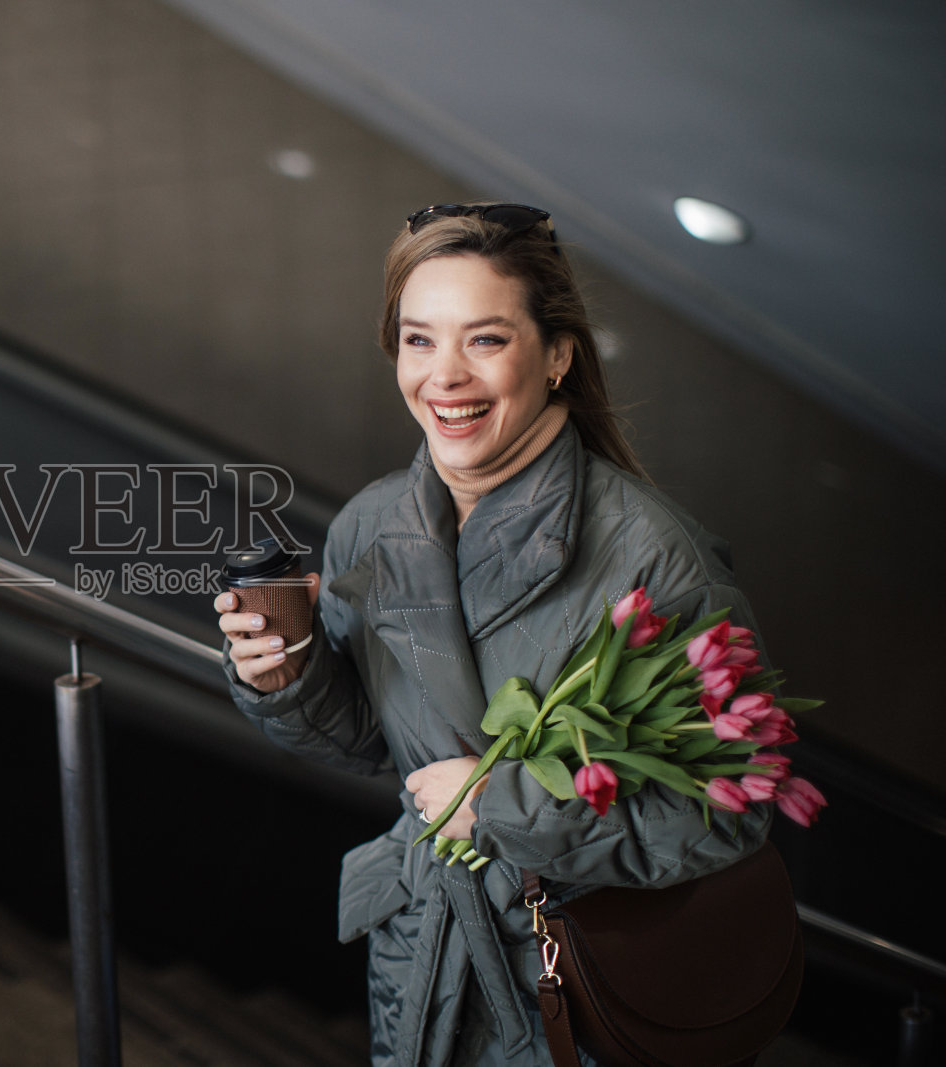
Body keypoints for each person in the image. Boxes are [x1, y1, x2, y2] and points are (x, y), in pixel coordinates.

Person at [213, 203, 771, 1066]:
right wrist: (286, 678)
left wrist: (502, 806)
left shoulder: (653, 556)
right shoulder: (373, 525)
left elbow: (733, 807)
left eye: (485, 339)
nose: (444, 376)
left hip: (578, 990)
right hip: (421, 971)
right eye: (419, 340)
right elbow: (380, 746)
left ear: (558, 355)